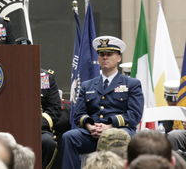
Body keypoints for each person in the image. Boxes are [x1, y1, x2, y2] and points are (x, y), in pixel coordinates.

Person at [60, 35, 144, 169]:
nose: (105, 57)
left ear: (118, 58)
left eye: (109, 54)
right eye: (102, 54)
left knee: (120, 137)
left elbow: (134, 115)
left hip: (121, 133)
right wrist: (90, 127)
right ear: (98, 58)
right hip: (92, 134)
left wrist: (109, 126)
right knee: (69, 137)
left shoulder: (132, 84)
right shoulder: (87, 85)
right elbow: (78, 115)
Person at [40, 69, 61, 168]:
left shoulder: (44, 77)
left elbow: (54, 109)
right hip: (12, 126)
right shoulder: (7, 74)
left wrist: (37, 123)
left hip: (39, 128)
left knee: (48, 142)